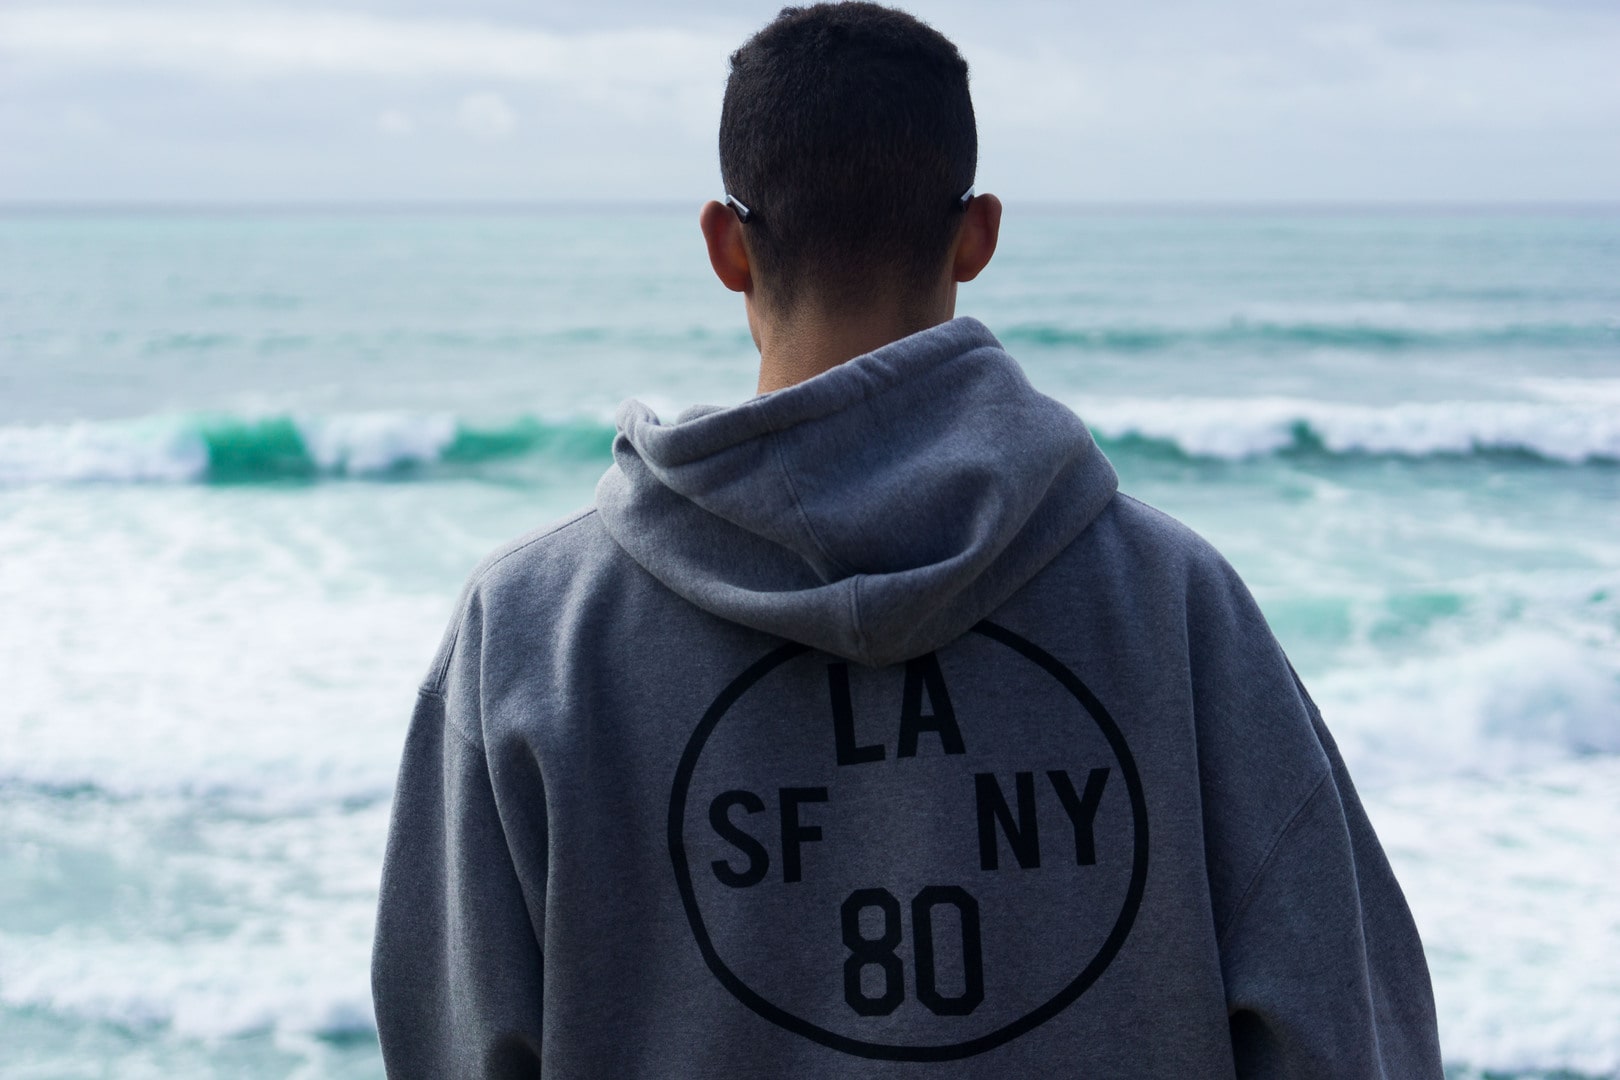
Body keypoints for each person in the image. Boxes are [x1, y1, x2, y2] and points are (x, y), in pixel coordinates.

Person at [370, 3, 1445, 1077]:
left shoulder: (527, 634)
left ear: (725, 246)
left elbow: (453, 1046)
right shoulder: (1178, 607)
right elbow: (1343, 1031)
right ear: (977, 235)